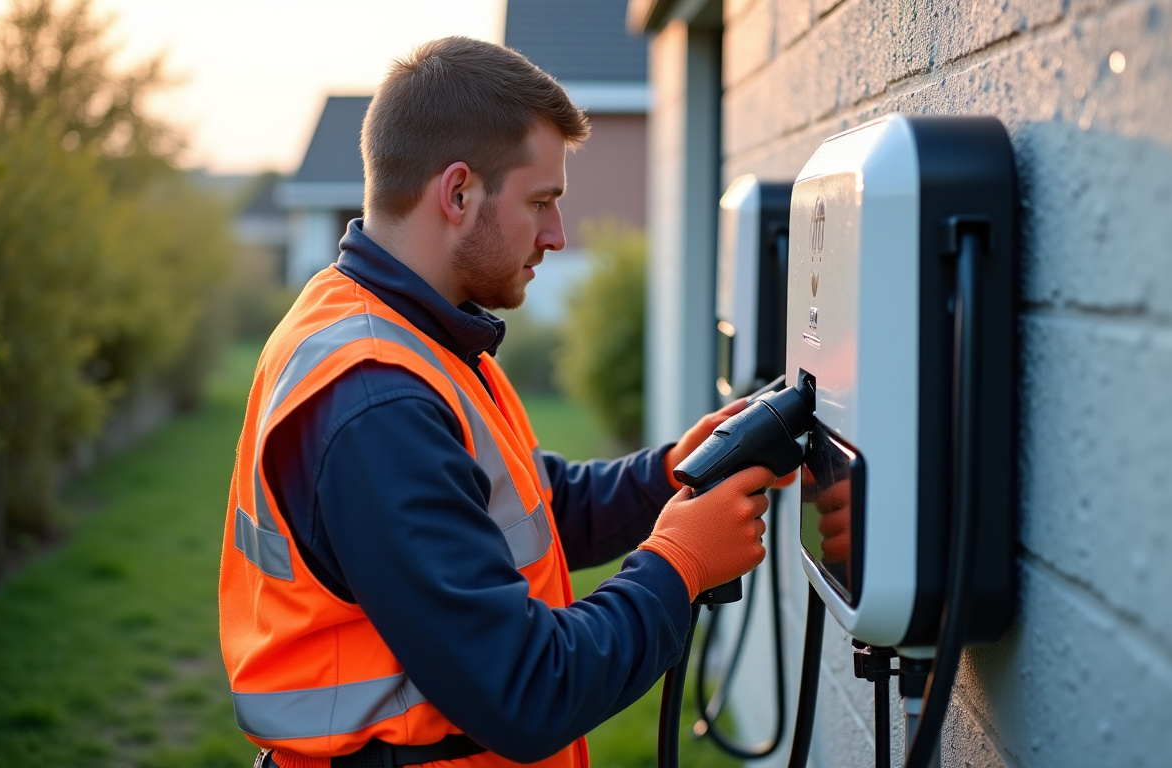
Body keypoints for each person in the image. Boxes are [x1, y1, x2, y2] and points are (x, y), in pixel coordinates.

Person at [218, 37, 777, 768]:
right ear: (457, 194)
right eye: (541, 201)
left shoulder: (409, 332)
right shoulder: (375, 399)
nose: (557, 235)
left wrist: (673, 471)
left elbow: (533, 508)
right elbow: (526, 688)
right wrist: (678, 564)